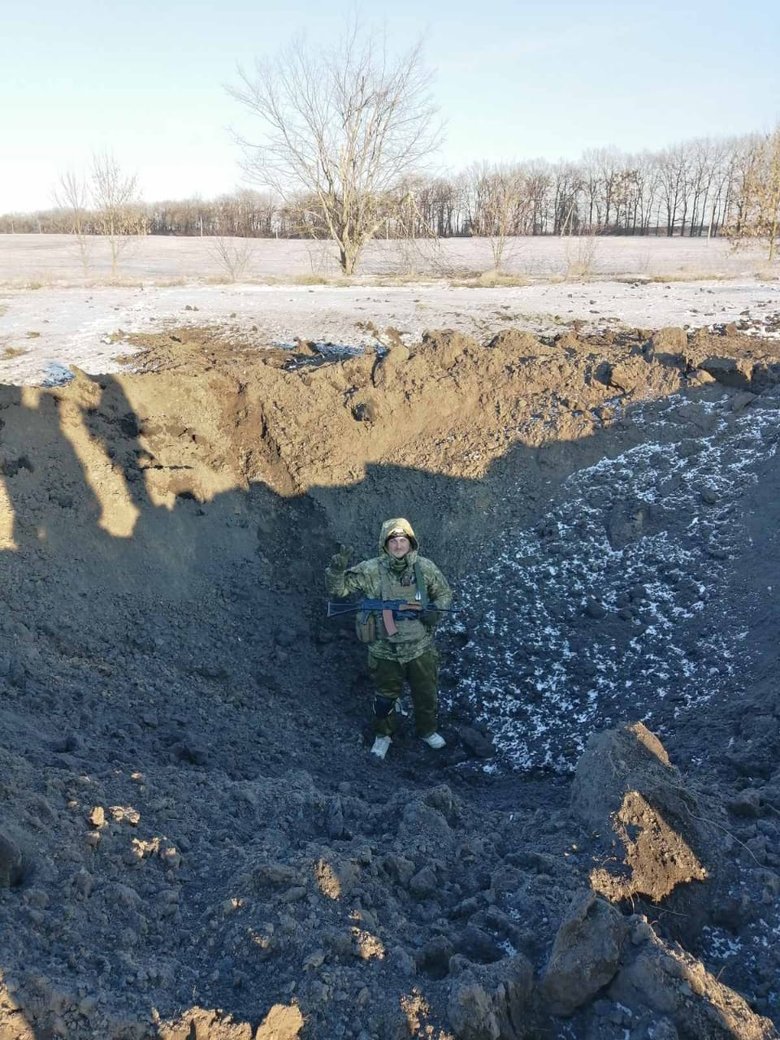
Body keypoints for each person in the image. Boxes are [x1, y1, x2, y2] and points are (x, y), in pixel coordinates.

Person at [326, 517, 453, 760]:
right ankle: (383, 735)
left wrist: (434, 610)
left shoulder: (424, 568)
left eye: (403, 539)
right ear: (385, 544)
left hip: (420, 649)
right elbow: (338, 590)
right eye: (393, 540)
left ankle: (427, 731)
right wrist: (336, 570)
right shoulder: (371, 569)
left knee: (426, 693)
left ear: (411, 542)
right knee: (385, 697)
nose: (398, 545)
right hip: (384, 652)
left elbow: (444, 593)